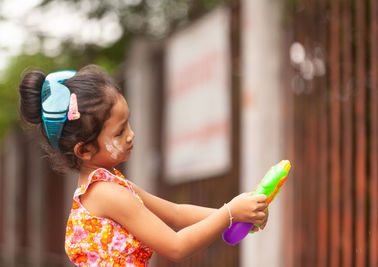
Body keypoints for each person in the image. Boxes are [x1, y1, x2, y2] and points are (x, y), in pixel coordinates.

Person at [18, 65, 269, 266]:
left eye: (128, 123)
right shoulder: (106, 193)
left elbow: (176, 213)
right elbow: (176, 247)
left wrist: (238, 216)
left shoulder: (111, 185)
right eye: (119, 132)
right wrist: (229, 214)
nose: (131, 135)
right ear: (84, 150)